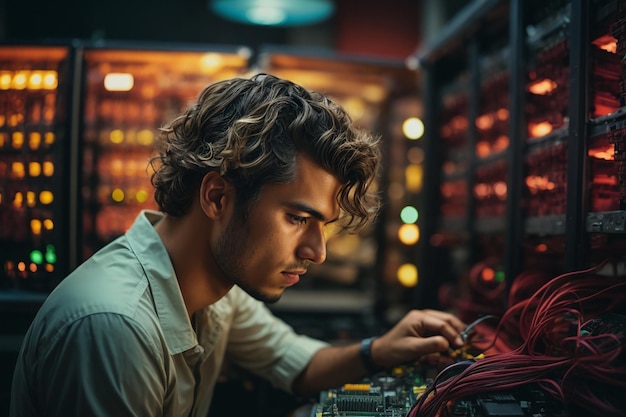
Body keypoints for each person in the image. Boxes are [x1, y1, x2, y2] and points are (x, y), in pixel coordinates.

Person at [10, 73, 465, 417]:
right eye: (297, 218)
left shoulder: (211, 291)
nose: (317, 251)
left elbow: (297, 364)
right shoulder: (115, 327)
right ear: (217, 197)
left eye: (322, 225)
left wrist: (379, 350)